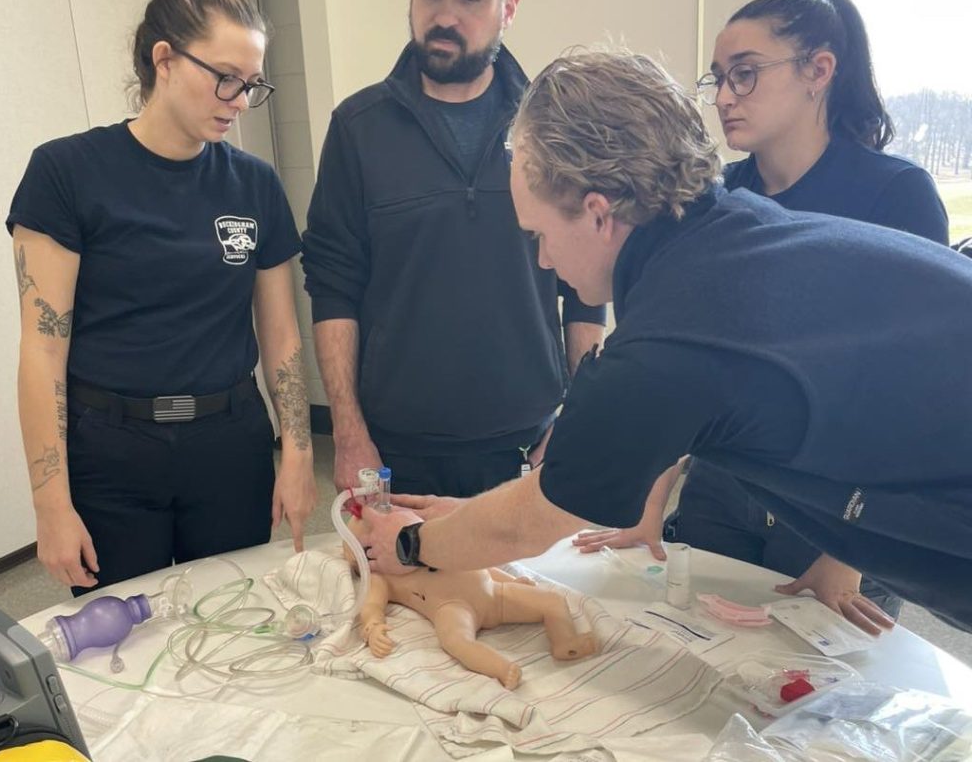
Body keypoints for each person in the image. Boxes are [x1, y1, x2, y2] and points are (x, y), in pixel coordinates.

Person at [361, 48, 972, 634]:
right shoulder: (729, 233)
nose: (543, 259)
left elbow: (531, 520)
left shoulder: (673, 340)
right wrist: (467, 518)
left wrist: (413, 543)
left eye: (538, 234)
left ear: (599, 214)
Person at [573, 0, 949, 631]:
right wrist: (648, 501)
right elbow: (682, 367)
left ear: (818, 71)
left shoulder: (895, 196)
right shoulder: (716, 201)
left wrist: (846, 552)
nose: (723, 96)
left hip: (845, 507)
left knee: (822, 700)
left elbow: (914, 399)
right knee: (708, 664)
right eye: (718, 78)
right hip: (728, 486)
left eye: (744, 73)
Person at [8, 0, 316, 594]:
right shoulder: (67, 173)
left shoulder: (254, 184)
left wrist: (300, 453)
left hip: (228, 444)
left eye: (251, 85)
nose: (238, 100)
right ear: (165, 60)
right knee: (122, 645)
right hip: (113, 451)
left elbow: (281, 337)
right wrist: (51, 504)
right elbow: (43, 351)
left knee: (232, 623)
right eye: (226, 77)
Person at [302, 0, 605, 498]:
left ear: (508, 7)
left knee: (525, 595)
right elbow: (334, 284)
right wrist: (348, 432)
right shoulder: (358, 128)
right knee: (400, 593)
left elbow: (587, 290)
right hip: (396, 447)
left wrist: (578, 414)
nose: (444, 14)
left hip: (527, 440)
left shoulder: (556, 124)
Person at [346, 513, 595, 689]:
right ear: (367, 555)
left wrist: (511, 581)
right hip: (453, 607)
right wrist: (373, 626)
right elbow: (371, 604)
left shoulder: (428, 545)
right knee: (455, 640)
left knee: (551, 601)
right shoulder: (383, 575)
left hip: (494, 592)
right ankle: (500, 668)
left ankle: (565, 642)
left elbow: (480, 568)